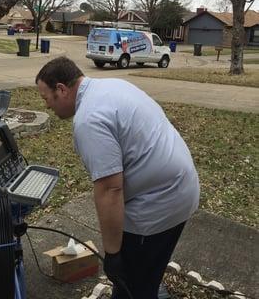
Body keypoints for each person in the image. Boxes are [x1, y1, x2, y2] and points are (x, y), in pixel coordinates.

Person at [36, 57, 200, 299]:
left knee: (131, 288)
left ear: (61, 89)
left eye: (46, 98)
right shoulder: (112, 86)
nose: (47, 106)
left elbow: (110, 190)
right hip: (182, 188)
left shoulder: (89, 120)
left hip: (158, 203)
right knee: (146, 276)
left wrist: (112, 253)